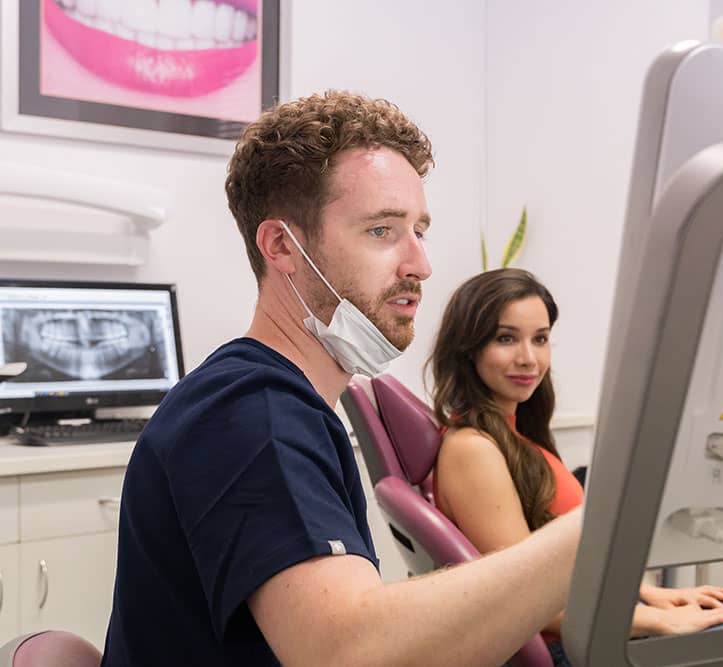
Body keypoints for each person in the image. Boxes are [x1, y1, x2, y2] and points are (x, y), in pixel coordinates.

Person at [101, 91, 587, 667]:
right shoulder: (253, 413)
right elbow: (345, 651)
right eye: (382, 231)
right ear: (283, 245)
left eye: (419, 231)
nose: (419, 264)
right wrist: (600, 526)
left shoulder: (282, 403)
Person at [427, 268, 723, 666]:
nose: (529, 358)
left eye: (540, 338)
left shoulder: (516, 435)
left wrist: (655, 596)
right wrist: (656, 621)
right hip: (577, 646)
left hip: (594, 622)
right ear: (469, 348)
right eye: (506, 338)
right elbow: (522, 600)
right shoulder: (474, 449)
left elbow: (570, 565)